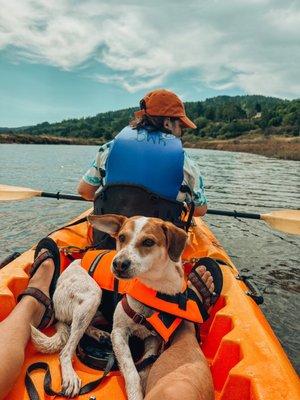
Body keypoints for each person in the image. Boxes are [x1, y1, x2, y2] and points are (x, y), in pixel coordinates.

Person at [77, 89, 215, 400]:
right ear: (168, 123)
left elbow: (85, 191)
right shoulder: (186, 163)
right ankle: (179, 324)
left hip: (107, 250)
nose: (181, 131)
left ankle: (102, 309)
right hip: (159, 261)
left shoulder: (110, 149)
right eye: (180, 125)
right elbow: (201, 208)